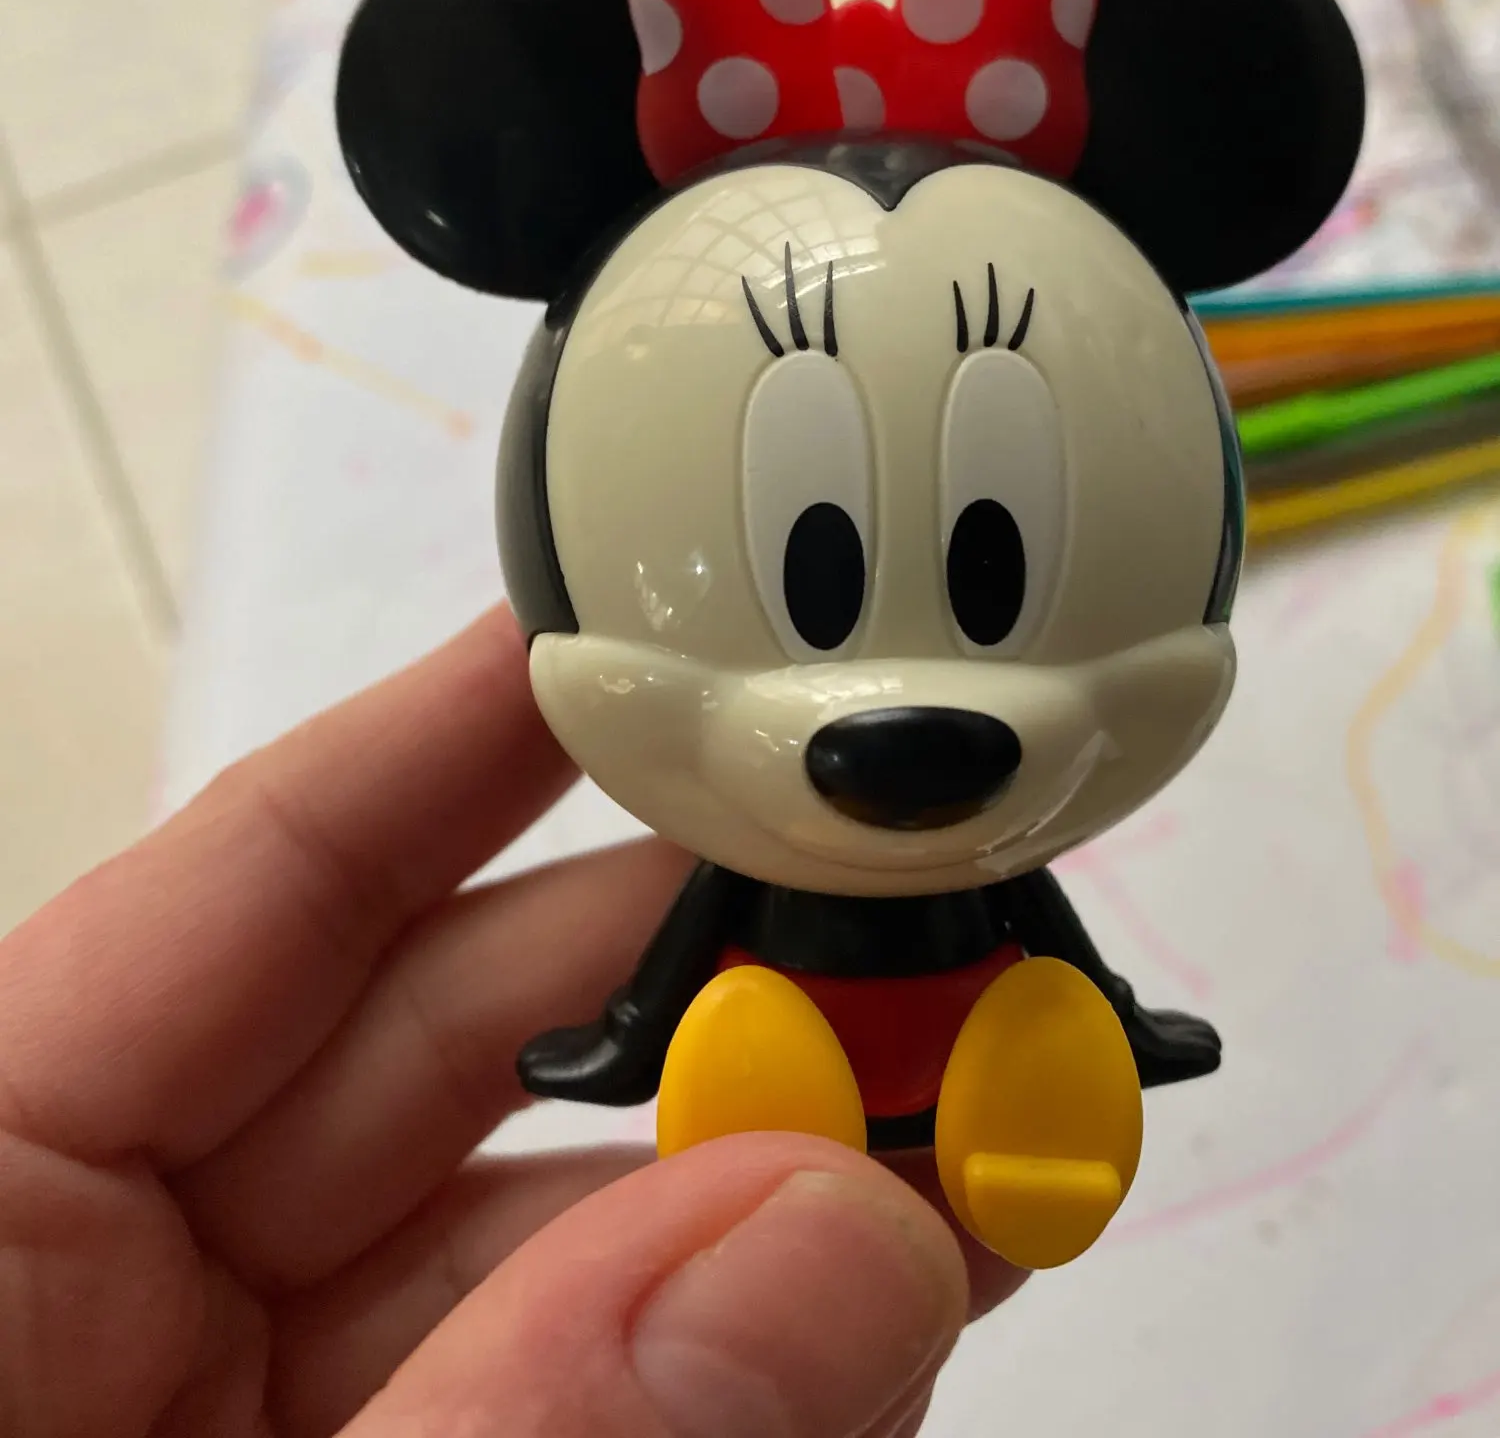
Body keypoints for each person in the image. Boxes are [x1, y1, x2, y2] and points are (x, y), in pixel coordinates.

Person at [0, 606, 1023, 1436]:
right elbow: (675, 959)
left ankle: (1019, 1101)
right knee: (748, 1028)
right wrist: (627, 1044)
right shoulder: (750, 865)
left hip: (967, 1040)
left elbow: (1054, 944)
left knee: (1030, 1018)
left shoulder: (976, 867)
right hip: (787, 1041)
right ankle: (787, 1141)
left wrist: (1103, 1008)